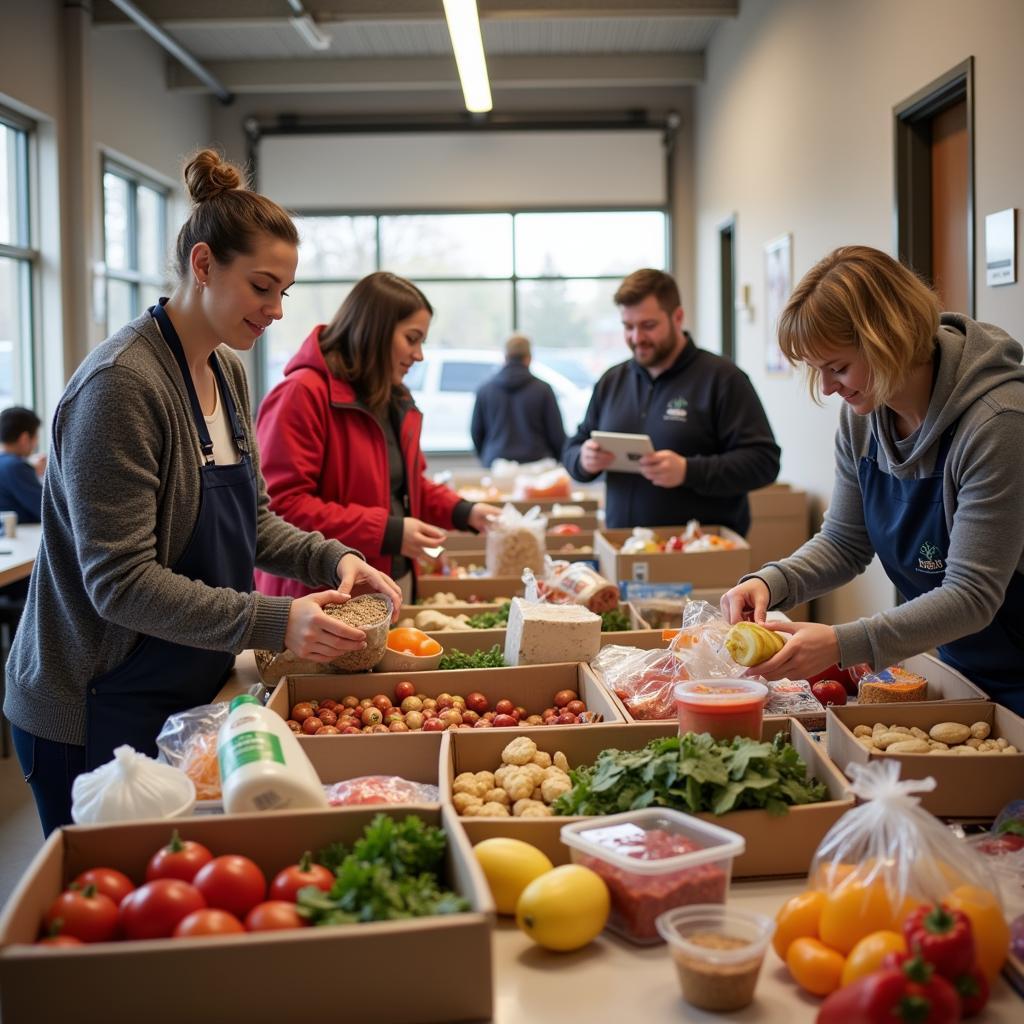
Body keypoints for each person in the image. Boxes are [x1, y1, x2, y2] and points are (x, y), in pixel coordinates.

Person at [3, 151, 401, 835]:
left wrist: (334, 559)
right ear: (204, 265)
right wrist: (280, 622)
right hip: (94, 703)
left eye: (285, 292)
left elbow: (253, 519)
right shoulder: (122, 387)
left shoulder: (225, 371)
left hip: (182, 685)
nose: (277, 311)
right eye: (262, 288)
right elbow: (120, 585)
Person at [720, 245, 1024, 714]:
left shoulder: (998, 424)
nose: (826, 388)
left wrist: (844, 642)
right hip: (963, 662)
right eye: (818, 370)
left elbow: (971, 595)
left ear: (890, 339)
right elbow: (844, 541)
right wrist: (771, 581)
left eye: (837, 367)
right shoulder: (863, 418)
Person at [255, 271, 500, 603]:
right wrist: (388, 532)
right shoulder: (302, 395)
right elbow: (282, 508)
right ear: (375, 332)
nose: (419, 355)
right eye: (412, 339)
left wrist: (464, 512)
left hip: (387, 584)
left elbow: (408, 486)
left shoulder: (392, 399)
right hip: (322, 596)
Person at [563, 268, 780, 533]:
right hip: (624, 551)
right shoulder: (612, 381)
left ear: (677, 317)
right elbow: (573, 446)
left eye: (648, 326)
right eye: (628, 327)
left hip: (701, 554)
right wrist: (583, 460)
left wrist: (688, 471)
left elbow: (763, 462)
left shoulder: (723, 379)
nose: (636, 338)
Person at [470, 334, 567, 467]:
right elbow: (557, 434)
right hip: (538, 466)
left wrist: (487, 457)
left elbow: (476, 432)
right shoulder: (543, 390)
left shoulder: (485, 390)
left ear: (505, 357)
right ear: (529, 358)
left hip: (497, 465)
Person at [0, 405, 46, 524]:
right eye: (36, 437)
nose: (36, 443)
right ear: (25, 438)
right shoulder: (16, 467)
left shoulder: (8, 464)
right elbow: (47, 511)